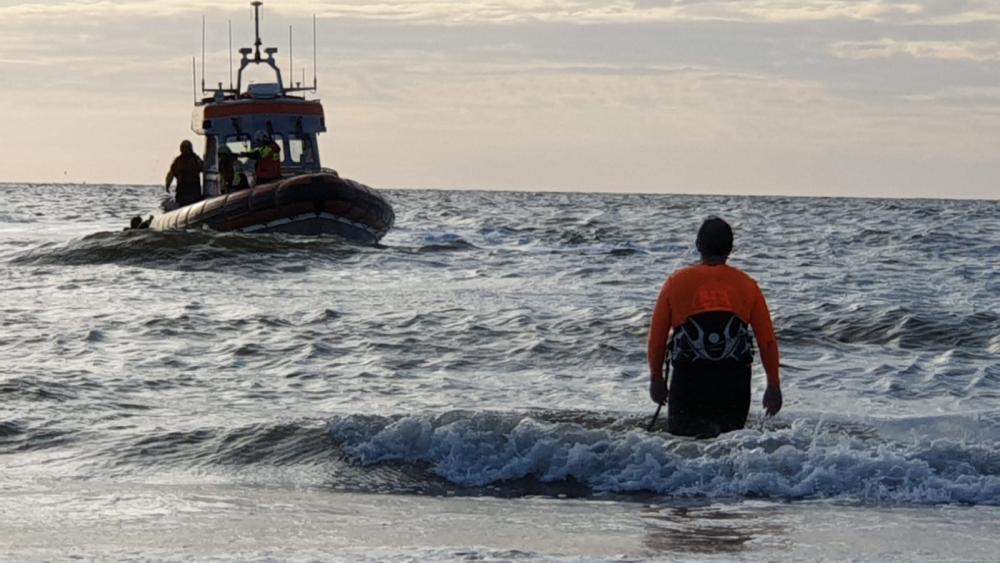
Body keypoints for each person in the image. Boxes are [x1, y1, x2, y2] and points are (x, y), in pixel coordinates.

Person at [647, 217, 782, 437]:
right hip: (733, 380)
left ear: (698, 245)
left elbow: (657, 338)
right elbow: (766, 341)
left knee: (683, 444)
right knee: (729, 444)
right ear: (730, 249)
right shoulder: (748, 285)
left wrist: (656, 379)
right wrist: (773, 385)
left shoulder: (676, 282)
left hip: (690, 378)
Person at [165, 140, 204, 206]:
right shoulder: (178, 161)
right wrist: (167, 186)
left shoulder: (196, 160)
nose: (185, 149)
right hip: (183, 193)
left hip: (193, 193)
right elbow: (171, 174)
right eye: (183, 147)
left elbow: (204, 169)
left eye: (186, 147)